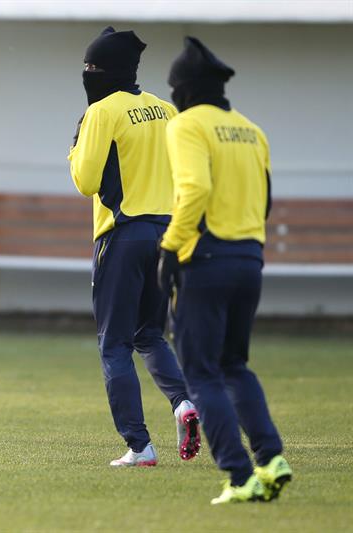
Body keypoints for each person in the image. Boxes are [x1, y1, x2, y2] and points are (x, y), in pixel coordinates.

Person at [157, 36, 292, 504]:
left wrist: (171, 249)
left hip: (206, 259)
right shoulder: (252, 130)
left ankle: (239, 477)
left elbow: (193, 190)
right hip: (249, 258)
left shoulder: (187, 125)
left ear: (185, 90)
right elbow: (267, 199)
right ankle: (271, 458)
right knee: (235, 365)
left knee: (201, 375)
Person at [68, 27, 200, 466]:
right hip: (165, 235)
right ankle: (184, 403)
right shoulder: (165, 110)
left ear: (104, 72)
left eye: (91, 68)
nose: (87, 76)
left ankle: (139, 445)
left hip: (122, 235)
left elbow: (85, 181)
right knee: (150, 333)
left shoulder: (102, 111)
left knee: (114, 344)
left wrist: (75, 149)